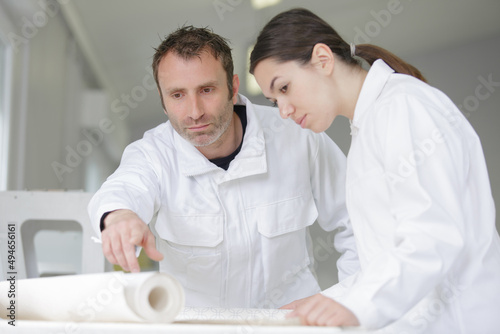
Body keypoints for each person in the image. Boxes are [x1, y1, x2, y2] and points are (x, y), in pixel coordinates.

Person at [249, 7, 500, 333]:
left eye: (283, 88)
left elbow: (432, 236)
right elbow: (385, 259)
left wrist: (353, 306)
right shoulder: (369, 127)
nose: (283, 110)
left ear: (323, 59)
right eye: (273, 100)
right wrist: (329, 300)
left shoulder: (402, 107)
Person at [88, 26, 359, 309]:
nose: (194, 111)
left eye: (207, 90)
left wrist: (345, 302)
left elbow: (355, 220)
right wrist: (119, 217)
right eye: (177, 95)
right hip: (196, 328)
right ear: (162, 99)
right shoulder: (153, 155)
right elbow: (123, 189)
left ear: (233, 87)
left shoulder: (297, 135)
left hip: (287, 325)